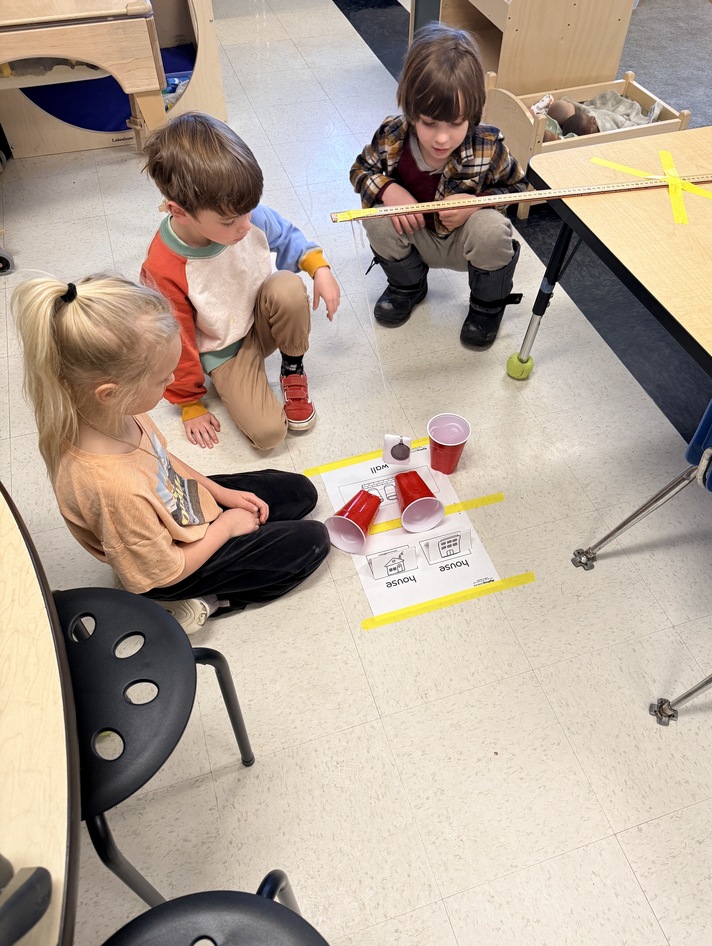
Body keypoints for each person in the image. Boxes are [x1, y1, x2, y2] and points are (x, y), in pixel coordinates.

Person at [14, 274, 330, 634]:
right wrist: (225, 527)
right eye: (163, 378)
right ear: (111, 392)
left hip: (179, 507)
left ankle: (222, 535)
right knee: (313, 543)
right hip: (170, 569)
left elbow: (162, 461)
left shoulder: (110, 410)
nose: (171, 383)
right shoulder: (111, 488)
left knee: (301, 492)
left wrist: (221, 493)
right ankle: (204, 600)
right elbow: (166, 570)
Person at [141, 111, 341, 450]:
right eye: (229, 222)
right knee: (269, 435)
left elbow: (287, 236)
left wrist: (320, 269)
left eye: (248, 211)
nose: (246, 226)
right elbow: (175, 339)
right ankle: (240, 379)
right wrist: (189, 403)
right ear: (179, 212)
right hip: (225, 351)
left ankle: (292, 368)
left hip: (260, 318)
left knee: (287, 287)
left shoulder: (244, 214)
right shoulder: (164, 266)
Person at [349, 22, 525, 348]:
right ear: (411, 109)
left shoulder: (488, 144)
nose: (442, 138)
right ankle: (408, 287)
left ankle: (487, 307)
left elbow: (520, 188)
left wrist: (477, 204)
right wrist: (389, 189)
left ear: (473, 113)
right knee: (375, 216)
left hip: (466, 243)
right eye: (429, 123)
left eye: (456, 124)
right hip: (415, 236)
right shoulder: (392, 135)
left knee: (491, 228)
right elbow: (360, 170)